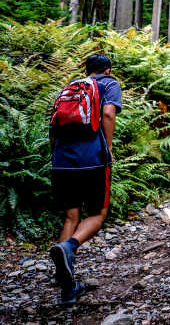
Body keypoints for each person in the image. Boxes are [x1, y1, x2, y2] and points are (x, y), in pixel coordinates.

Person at [48, 54, 122, 305]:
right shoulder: (109, 84)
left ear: (86, 69)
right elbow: (109, 114)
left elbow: (53, 125)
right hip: (92, 159)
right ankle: (69, 247)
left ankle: (65, 283)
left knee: (71, 216)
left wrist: (55, 154)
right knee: (98, 213)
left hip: (61, 160)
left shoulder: (71, 86)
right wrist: (108, 148)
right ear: (108, 70)